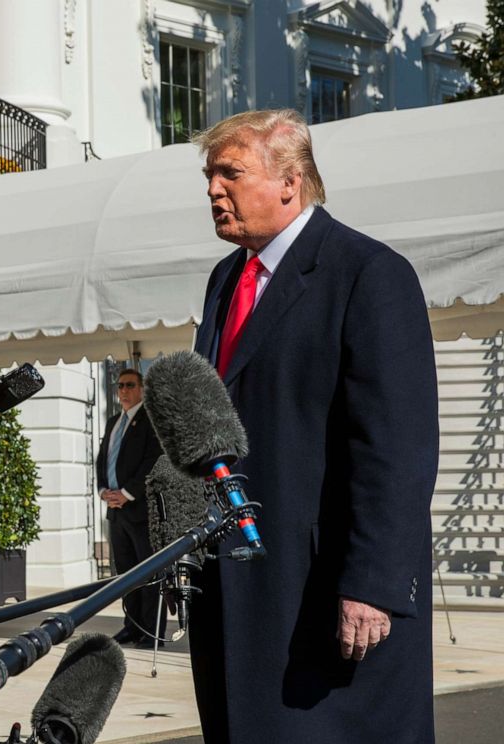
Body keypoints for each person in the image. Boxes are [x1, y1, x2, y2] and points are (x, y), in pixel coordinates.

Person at [189, 109, 438, 743]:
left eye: (230, 174)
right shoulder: (227, 280)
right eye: (209, 176)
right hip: (239, 578)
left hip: (324, 591)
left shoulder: (368, 273)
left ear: (290, 182)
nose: (214, 189)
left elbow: (397, 446)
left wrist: (374, 583)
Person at [96, 368, 163, 648]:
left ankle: (151, 630)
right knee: (125, 573)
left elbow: (152, 462)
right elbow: (102, 460)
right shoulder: (113, 422)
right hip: (116, 510)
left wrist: (126, 493)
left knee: (147, 573)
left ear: (141, 388)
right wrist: (103, 490)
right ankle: (131, 626)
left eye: (129, 385)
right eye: (120, 385)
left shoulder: (150, 421)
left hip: (139, 510)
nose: (123, 390)